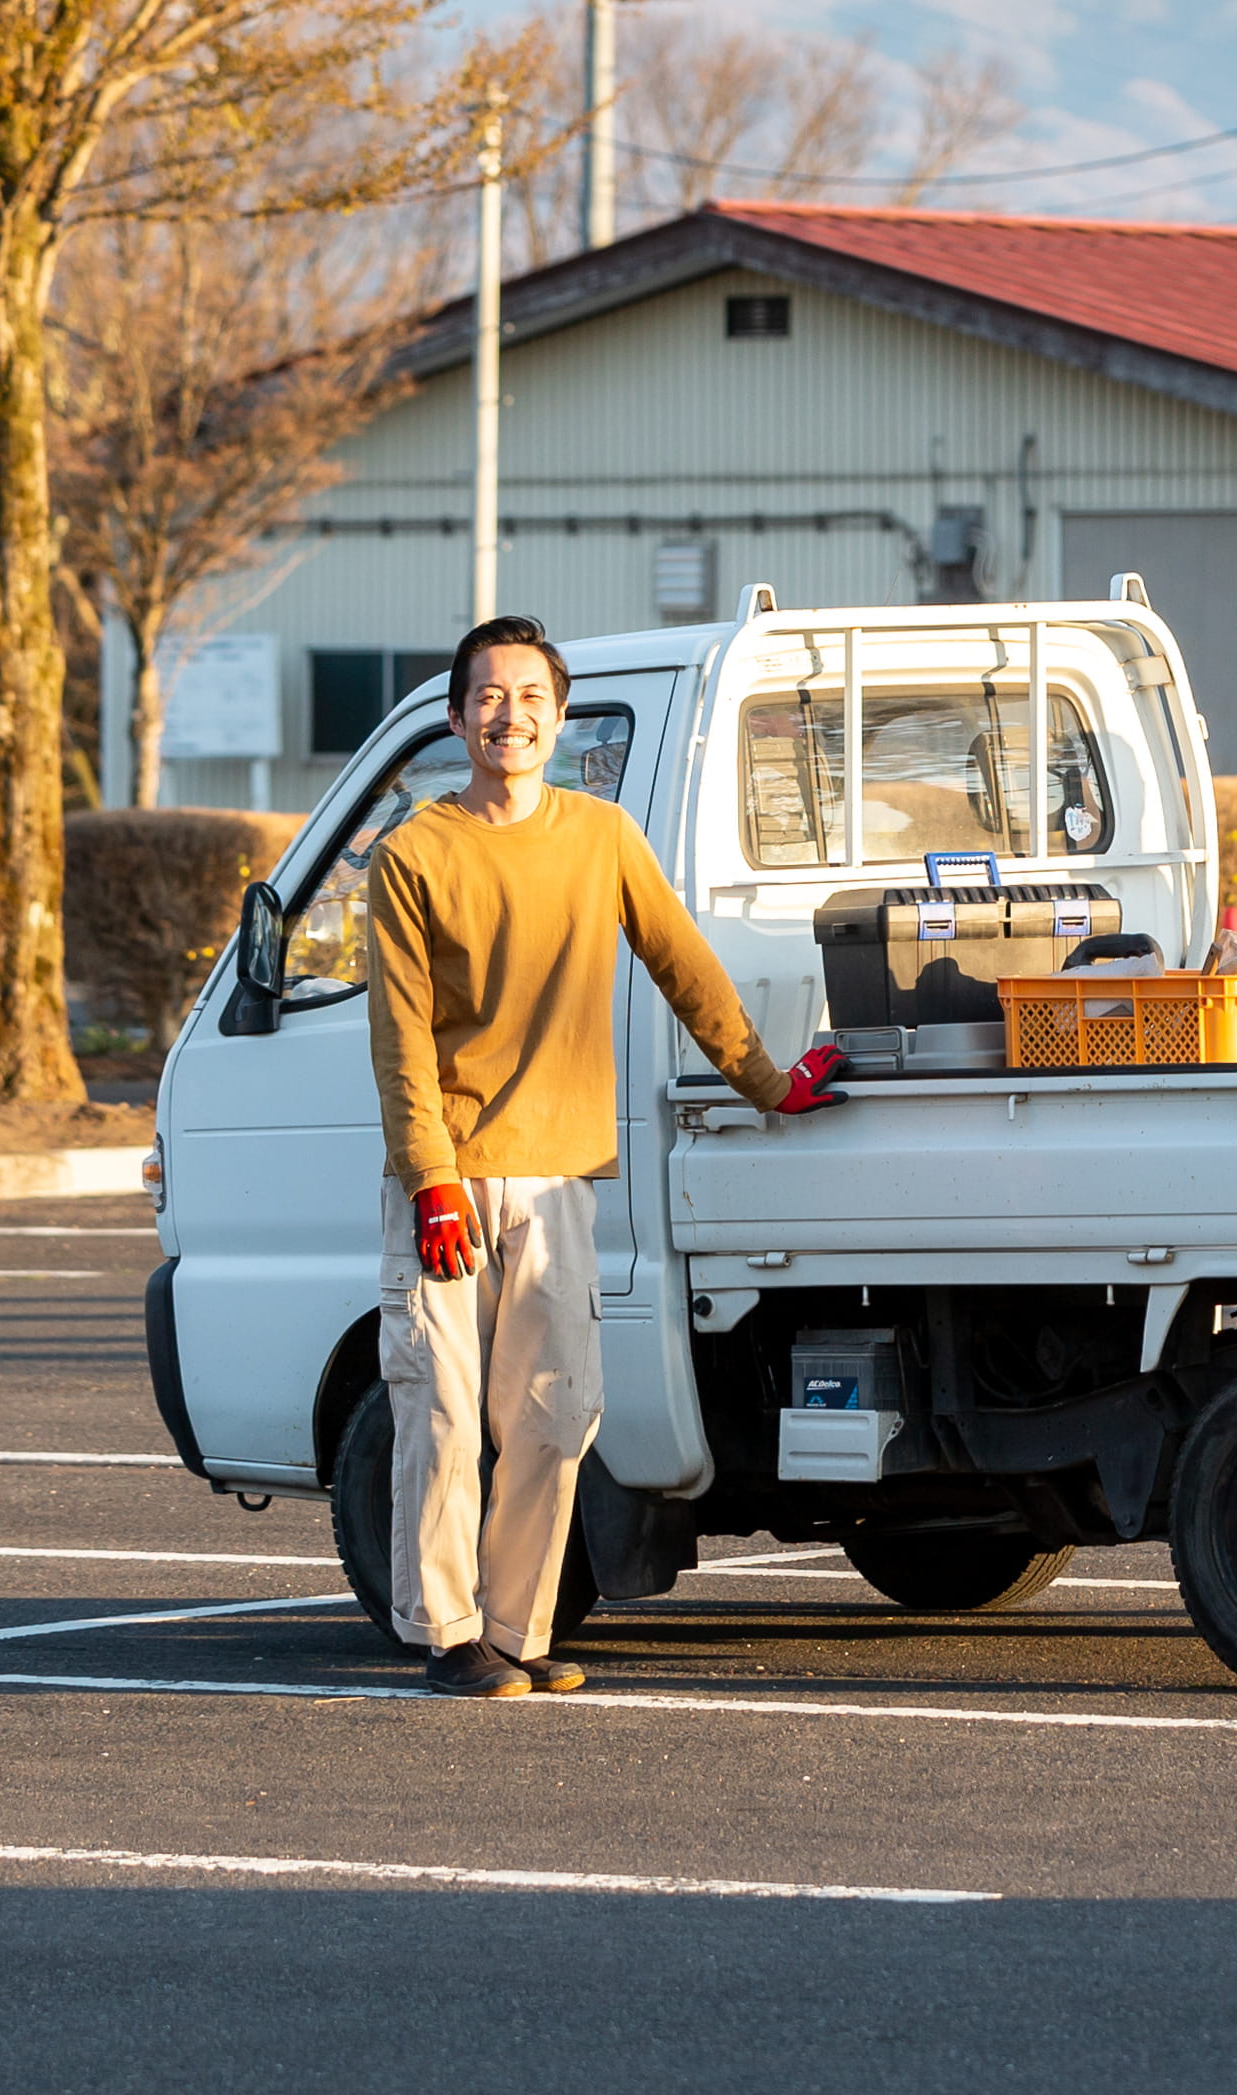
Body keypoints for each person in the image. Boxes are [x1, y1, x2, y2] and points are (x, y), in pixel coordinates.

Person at [368, 611, 849, 1701]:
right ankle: (447, 1633)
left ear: (558, 715)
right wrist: (430, 1179)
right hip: (443, 1179)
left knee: (553, 1411)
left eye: (531, 697)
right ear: (455, 718)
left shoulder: (600, 837)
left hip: (559, 1176)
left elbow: (686, 967)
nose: (510, 715)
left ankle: (515, 1631)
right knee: (439, 1413)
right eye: (489, 696)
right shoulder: (415, 853)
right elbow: (398, 1037)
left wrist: (770, 1081)